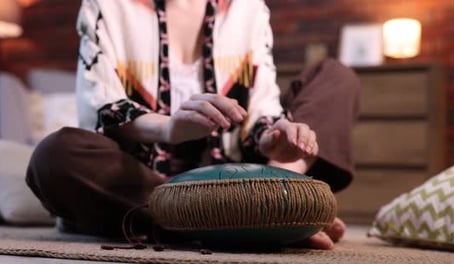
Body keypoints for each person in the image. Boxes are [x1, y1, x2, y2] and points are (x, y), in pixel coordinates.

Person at [26, 0, 360, 250]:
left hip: (243, 172)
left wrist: (278, 139)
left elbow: (262, 112)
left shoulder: (250, 8)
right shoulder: (106, 6)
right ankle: (269, 218)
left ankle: (278, 196)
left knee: (335, 77)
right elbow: (102, 109)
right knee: (54, 155)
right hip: (149, 181)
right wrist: (169, 128)